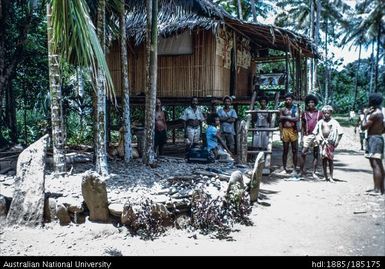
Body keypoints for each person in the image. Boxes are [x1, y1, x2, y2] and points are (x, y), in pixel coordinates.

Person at [361, 93, 385, 195]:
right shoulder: (381, 113)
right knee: (377, 164)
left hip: (374, 139)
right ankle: (381, 188)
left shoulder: (375, 114)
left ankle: (377, 189)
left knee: (375, 164)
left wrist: (365, 114)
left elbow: (363, 127)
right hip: (378, 137)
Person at [313, 105, 343, 182]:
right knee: (324, 159)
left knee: (330, 160)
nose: (326, 115)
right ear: (323, 113)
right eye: (325, 113)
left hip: (330, 143)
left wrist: (337, 141)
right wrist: (318, 138)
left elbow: (340, 133)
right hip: (323, 143)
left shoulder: (334, 122)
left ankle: (331, 176)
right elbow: (315, 132)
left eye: (328, 113)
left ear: (331, 113)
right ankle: (325, 176)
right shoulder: (320, 122)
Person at [299, 94, 323, 179]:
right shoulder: (304, 114)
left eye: (312, 102)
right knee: (303, 153)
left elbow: (322, 125)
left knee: (316, 154)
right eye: (309, 102)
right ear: (307, 104)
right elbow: (302, 126)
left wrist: (322, 136)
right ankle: (301, 172)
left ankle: (314, 172)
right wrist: (301, 137)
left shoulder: (319, 113)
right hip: (307, 135)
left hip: (316, 135)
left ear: (315, 103)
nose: (310, 104)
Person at [279, 93, 299, 177]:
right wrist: (280, 133)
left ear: (292, 100)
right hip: (284, 130)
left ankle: (294, 169)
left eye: (290, 99)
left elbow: (297, 119)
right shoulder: (282, 109)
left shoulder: (296, 108)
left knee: (295, 150)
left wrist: (285, 117)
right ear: (285, 100)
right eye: (286, 99)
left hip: (293, 130)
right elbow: (280, 119)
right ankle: (284, 168)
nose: (288, 101)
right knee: (285, 150)